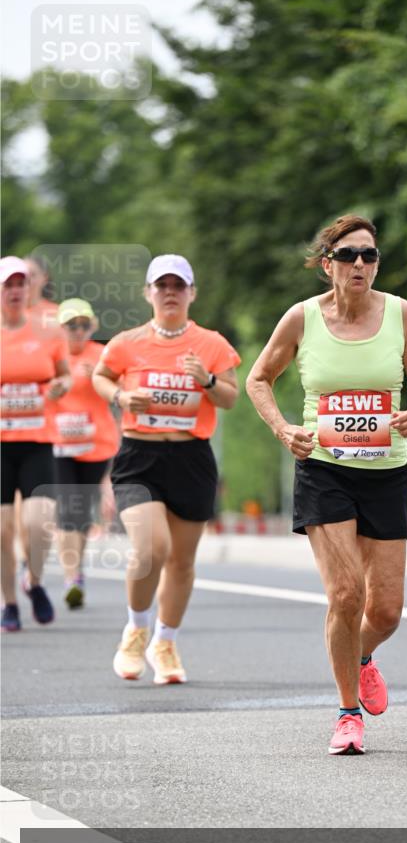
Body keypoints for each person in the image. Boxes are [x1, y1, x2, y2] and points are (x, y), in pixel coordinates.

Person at [246, 214, 407, 755]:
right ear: (327, 263)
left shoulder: (402, 315)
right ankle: (347, 713)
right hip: (324, 469)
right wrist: (284, 428)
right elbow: (258, 378)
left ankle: (357, 656)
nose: (361, 264)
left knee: (386, 612)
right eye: (350, 255)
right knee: (346, 594)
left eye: (370, 256)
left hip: (386, 471)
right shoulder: (301, 319)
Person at [92, 254, 240, 684]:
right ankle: (136, 629)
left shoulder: (211, 344)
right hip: (140, 457)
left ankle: (166, 641)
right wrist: (120, 397)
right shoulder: (126, 342)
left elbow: (230, 397)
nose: (170, 292)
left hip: (191, 458)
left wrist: (208, 381)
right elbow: (100, 376)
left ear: (192, 293)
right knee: (150, 548)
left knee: (181, 561)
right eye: (162, 285)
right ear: (148, 293)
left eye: (179, 286)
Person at [1, 256, 71, 631]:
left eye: (21, 284)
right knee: (2, 529)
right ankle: (9, 602)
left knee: (39, 523)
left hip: (38, 440)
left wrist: (61, 387)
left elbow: (65, 377)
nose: (15, 291)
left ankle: (35, 581)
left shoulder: (48, 330)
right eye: (8, 285)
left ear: (30, 289)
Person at [53, 298, 120, 608]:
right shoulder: (51, 355)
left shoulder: (102, 355)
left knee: (82, 513)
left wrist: (101, 378)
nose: (77, 331)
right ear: (60, 328)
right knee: (67, 509)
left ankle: (76, 571)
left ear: (92, 326)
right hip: (58, 445)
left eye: (83, 325)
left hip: (96, 445)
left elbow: (121, 388)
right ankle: (71, 578)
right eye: (71, 325)